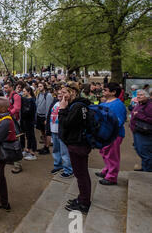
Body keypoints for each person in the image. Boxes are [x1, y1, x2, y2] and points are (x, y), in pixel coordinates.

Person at [59, 82, 92, 214]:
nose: (62, 95)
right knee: (81, 173)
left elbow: (67, 124)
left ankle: (84, 203)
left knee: (81, 174)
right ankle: (82, 198)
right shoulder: (77, 105)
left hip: (78, 144)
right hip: (77, 143)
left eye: (65, 92)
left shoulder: (77, 106)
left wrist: (62, 109)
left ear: (73, 92)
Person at [96, 83, 127, 185]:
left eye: (105, 90)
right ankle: (107, 169)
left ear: (113, 92)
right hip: (104, 134)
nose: (103, 92)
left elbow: (118, 121)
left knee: (112, 155)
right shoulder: (103, 103)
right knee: (104, 153)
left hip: (113, 135)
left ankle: (112, 177)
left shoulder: (118, 104)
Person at [49, 88, 73, 178]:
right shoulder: (55, 103)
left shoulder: (67, 104)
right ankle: (58, 166)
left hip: (62, 132)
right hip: (54, 130)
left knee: (64, 152)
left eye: (62, 93)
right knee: (56, 150)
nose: (60, 94)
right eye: (59, 93)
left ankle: (68, 170)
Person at [129, 89, 152, 172]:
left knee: (145, 152)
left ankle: (148, 172)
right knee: (139, 150)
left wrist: (139, 115)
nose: (138, 96)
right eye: (138, 95)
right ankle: (144, 168)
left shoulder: (149, 106)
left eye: (141, 95)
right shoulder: (140, 103)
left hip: (144, 133)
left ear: (147, 96)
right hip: (137, 131)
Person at [4, 81, 23, 174]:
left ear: (11, 87)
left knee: (16, 142)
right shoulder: (7, 96)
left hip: (14, 122)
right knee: (8, 140)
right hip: (8, 121)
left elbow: (17, 108)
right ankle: (11, 159)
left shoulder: (16, 96)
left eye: (6, 87)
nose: (5, 89)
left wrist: (8, 113)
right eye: (4, 87)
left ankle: (17, 165)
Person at [36, 82, 54, 155]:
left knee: (46, 132)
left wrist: (47, 118)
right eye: (38, 86)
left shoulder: (48, 95)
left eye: (40, 86)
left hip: (44, 116)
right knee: (42, 132)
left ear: (44, 86)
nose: (39, 87)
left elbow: (48, 107)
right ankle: (44, 145)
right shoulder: (39, 94)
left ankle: (47, 147)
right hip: (39, 115)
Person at [20, 86, 37, 160]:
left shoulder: (32, 100)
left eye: (24, 91)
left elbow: (29, 111)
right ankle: (28, 149)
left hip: (29, 121)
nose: (23, 93)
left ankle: (33, 153)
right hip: (26, 120)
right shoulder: (26, 99)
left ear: (28, 92)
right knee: (28, 136)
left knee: (31, 135)